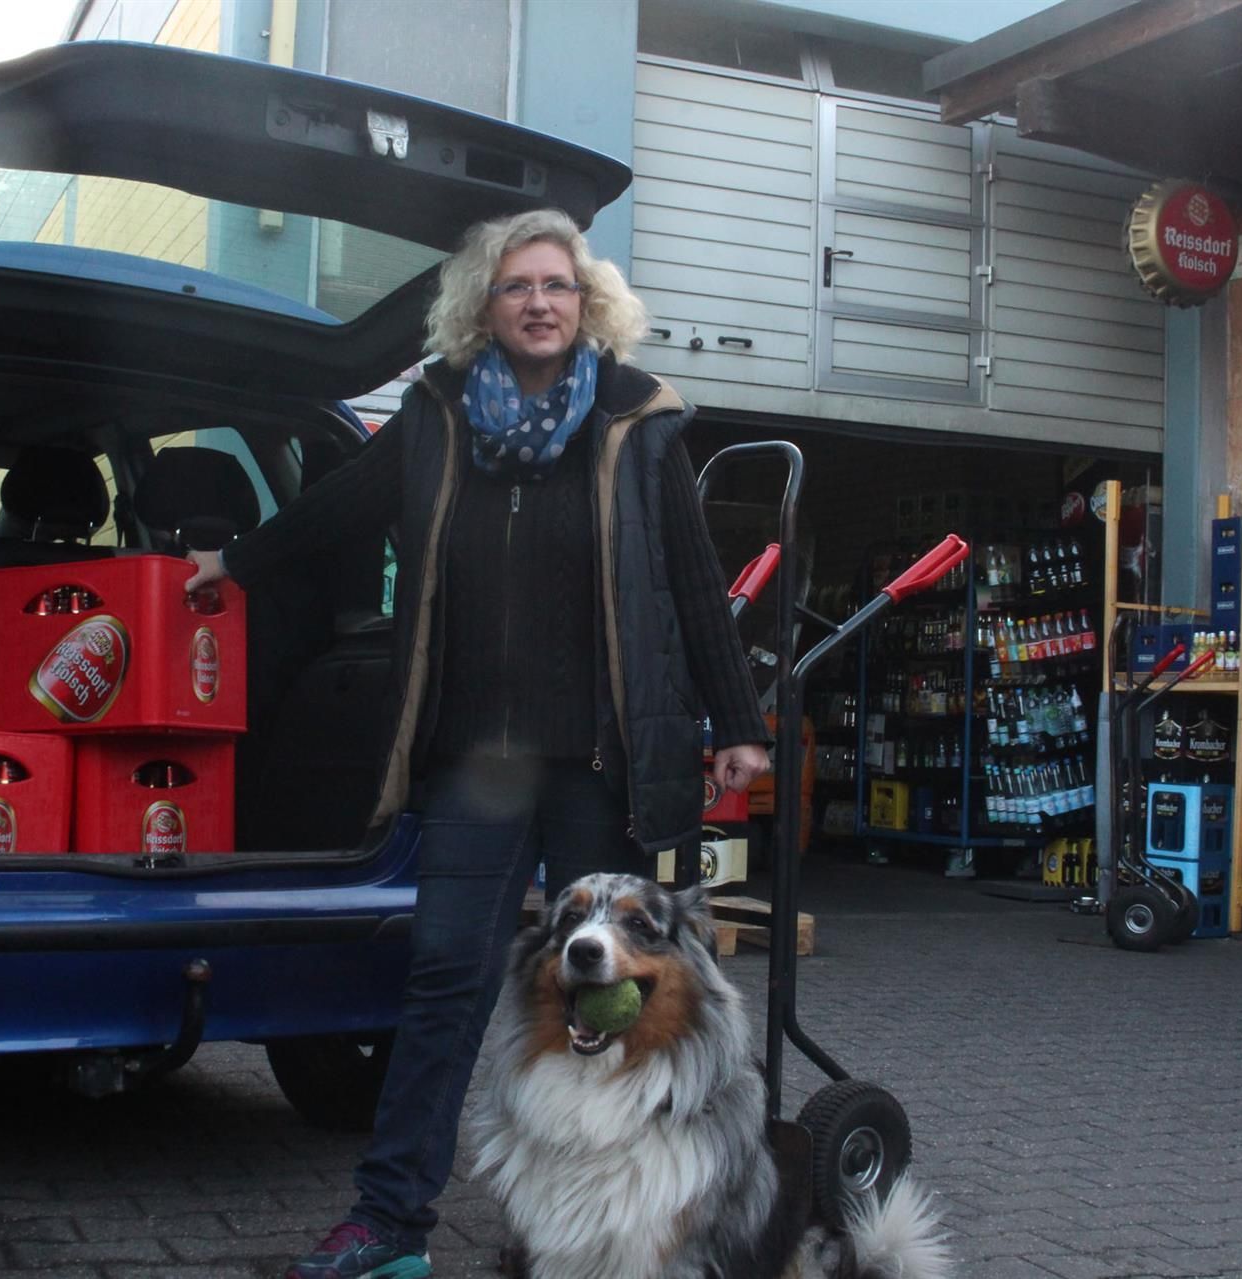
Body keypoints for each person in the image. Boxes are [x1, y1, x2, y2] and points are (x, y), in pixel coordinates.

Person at [183, 207, 771, 1279]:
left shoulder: (638, 421)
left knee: (610, 991)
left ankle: (619, 1220)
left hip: (601, 766)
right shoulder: (437, 413)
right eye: (516, 287)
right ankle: (390, 1221)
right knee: (447, 979)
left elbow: (689, 580)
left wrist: (737, 726)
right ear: (481, 307)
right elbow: (342, 508)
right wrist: (238, 562)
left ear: (585, 301)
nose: (538, 302)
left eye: (556, 284)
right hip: (472, 766)